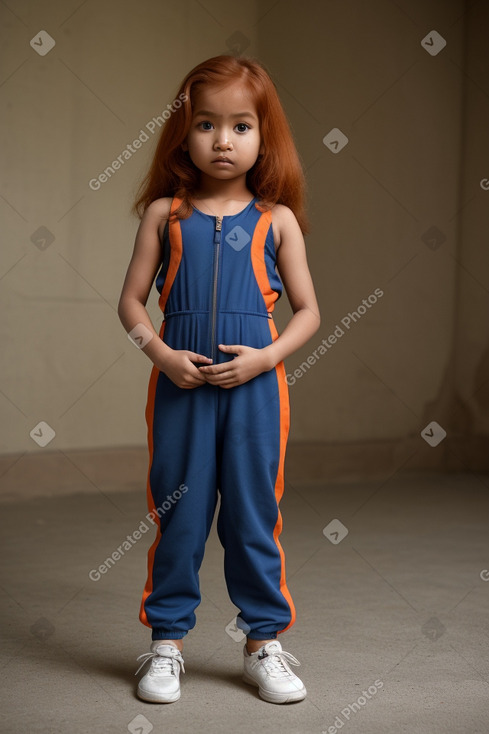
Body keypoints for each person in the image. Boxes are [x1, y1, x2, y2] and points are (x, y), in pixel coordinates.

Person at [118, 54, 320, 705]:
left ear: (264, 137)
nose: (222, 140)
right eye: (205, 124)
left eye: (240, 126)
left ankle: (263, 643)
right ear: (184, 131)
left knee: (253, 517)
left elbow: (309, 312)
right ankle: (165, 645)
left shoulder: (275, 220)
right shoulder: (164, 214)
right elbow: (129, 305)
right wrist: (162, 355)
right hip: (180, 391)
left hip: (257, 394)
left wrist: (265, 358)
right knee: (177, 514)